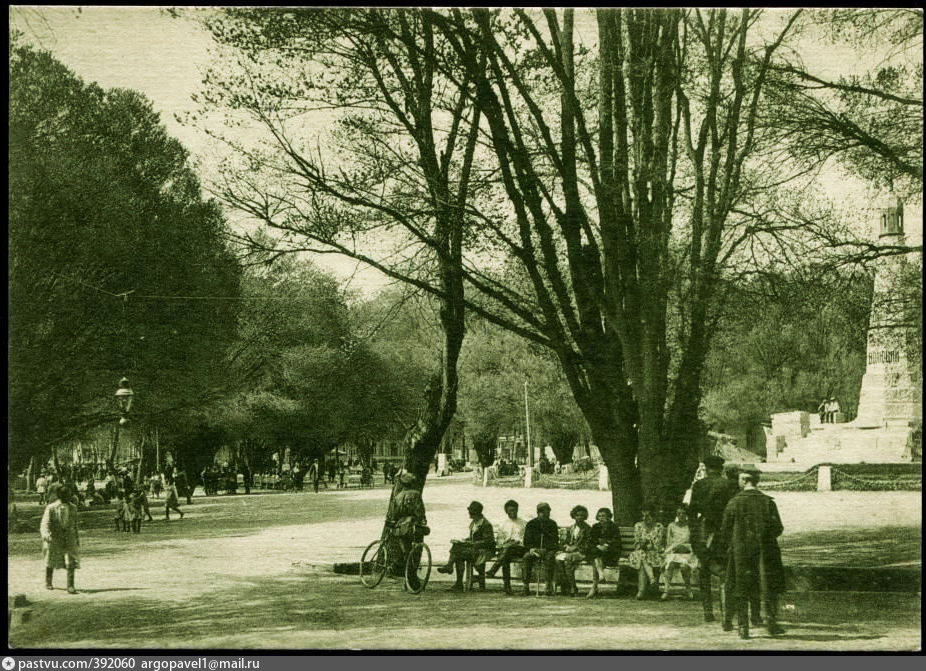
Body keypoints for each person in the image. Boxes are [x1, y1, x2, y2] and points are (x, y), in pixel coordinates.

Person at [720, 469, 786, 640]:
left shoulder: (734, 502)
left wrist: (735, 543)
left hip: (741, 552)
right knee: (768, 587)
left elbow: (725, 530)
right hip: (765, 552)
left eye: (740, 479)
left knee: (740, 586)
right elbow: (778, 528)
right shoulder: (768, 502)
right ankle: (771, 624)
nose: (738, 482)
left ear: (744, 480)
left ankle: (743, 627)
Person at [689, 455, 738, 623]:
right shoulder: (730, 485)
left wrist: (693, 533)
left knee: (704, 570)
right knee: (726, 571)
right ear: (721, 468)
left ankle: (707, 611)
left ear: (706, 468)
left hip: (703, 530)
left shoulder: (698, 485)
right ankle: (726, 612)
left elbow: (692, 512)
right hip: (724, 531)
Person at [437, 501, 496, 591]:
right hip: (475, 548)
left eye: (470, 511)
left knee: (457, 552)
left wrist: (472, 543)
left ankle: (455, 578)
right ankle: (454, 576)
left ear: (475, 513)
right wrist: (465, 540)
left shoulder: (486, 525)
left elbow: (488, 542)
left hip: (484, 551)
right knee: (456, 547)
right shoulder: (474, 523)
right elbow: (473, 537)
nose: (469, 513)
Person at [40, 484, 81, 594]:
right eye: (64, 495)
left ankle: (70, 586)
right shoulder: (51, 508)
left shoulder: (73, 507)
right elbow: (45, 523)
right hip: (54, 538)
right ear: (59, 495)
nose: (67, 497)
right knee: (51, 560)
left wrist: (77, 538)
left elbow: (74, 524)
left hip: (69, 538)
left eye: (69, 495)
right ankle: (48, 582)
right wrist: (46, 535)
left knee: (71, 561)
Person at [486, 500, 527, 595]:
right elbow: (499, 540)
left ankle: (494, 570)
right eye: (510, 511)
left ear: (517, 510)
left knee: (507, 551)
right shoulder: (503, 524)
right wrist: (505, 543)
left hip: (519, 549)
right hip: (506, 550)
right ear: (506, 512)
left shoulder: (524, 523)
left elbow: (525, 539)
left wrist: (516, 542)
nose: (513, 512)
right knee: (505, 556)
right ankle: (507, 587)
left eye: (515, 510)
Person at [521, 502, 559, 596]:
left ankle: (547, 586)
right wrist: (532, 548)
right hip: (534, 550)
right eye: (543, 512)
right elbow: (526, 541)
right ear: (538, 513)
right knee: (526, 558)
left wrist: (545, 549)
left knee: (550, 558)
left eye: (548, 512)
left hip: (548, 550)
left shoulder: (552, 524)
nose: (546, 515)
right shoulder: (531, 524)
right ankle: (525, 586)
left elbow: (555, 541)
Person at [662, 504, 697, 600]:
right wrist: (673, 549)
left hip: (687, 554)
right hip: (674, 553)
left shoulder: (690, 526)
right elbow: (669, 543)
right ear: (676, 515)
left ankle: (689, 590)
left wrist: (685, 548)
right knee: (670, 564)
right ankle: (666, 591)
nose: (681, 515)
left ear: (686, 515)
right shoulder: (671, 526)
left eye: (683, 513)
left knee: (684, 567)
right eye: (679, 513)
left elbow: (693, 543)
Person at [555, 505, 592, 597]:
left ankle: (572, 587)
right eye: (577, 515)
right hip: (570, 552)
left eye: (582, 516)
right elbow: (566, 541)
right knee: (557, 559)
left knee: (567, 560)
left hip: (582, 553)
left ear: (585, 517)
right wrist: (565, 546)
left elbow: (588, 545)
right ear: (574, 516)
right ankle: (566, 584)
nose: (579, 517)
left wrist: (575, 548)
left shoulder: (587, 529)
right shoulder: (571, 528)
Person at [629, 509, 665, 600]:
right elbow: (637, 543)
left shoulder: (659, 526)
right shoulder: (638, 526)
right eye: (643, 516)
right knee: (641, 554)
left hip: (655, 554)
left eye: (647, 516)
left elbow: (658, 544)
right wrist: (644, 545)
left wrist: (649, 545)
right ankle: (652, 579)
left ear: (653, 516)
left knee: (642, 559)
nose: (645, 518)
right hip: (640, 553)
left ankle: (641, 591)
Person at [586, 507, 622, 599]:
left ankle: (594, 587)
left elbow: (616, 541)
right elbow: (591, 541)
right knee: (595, 554)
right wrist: (598, 546)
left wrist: (606, 545)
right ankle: (600, 576)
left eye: (604, 516)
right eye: (600, 516)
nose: (601, 518)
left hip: (610, 553)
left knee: (596, 558)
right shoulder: (595, 527)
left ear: (609, 517)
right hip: (598, 552)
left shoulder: (613, 527)